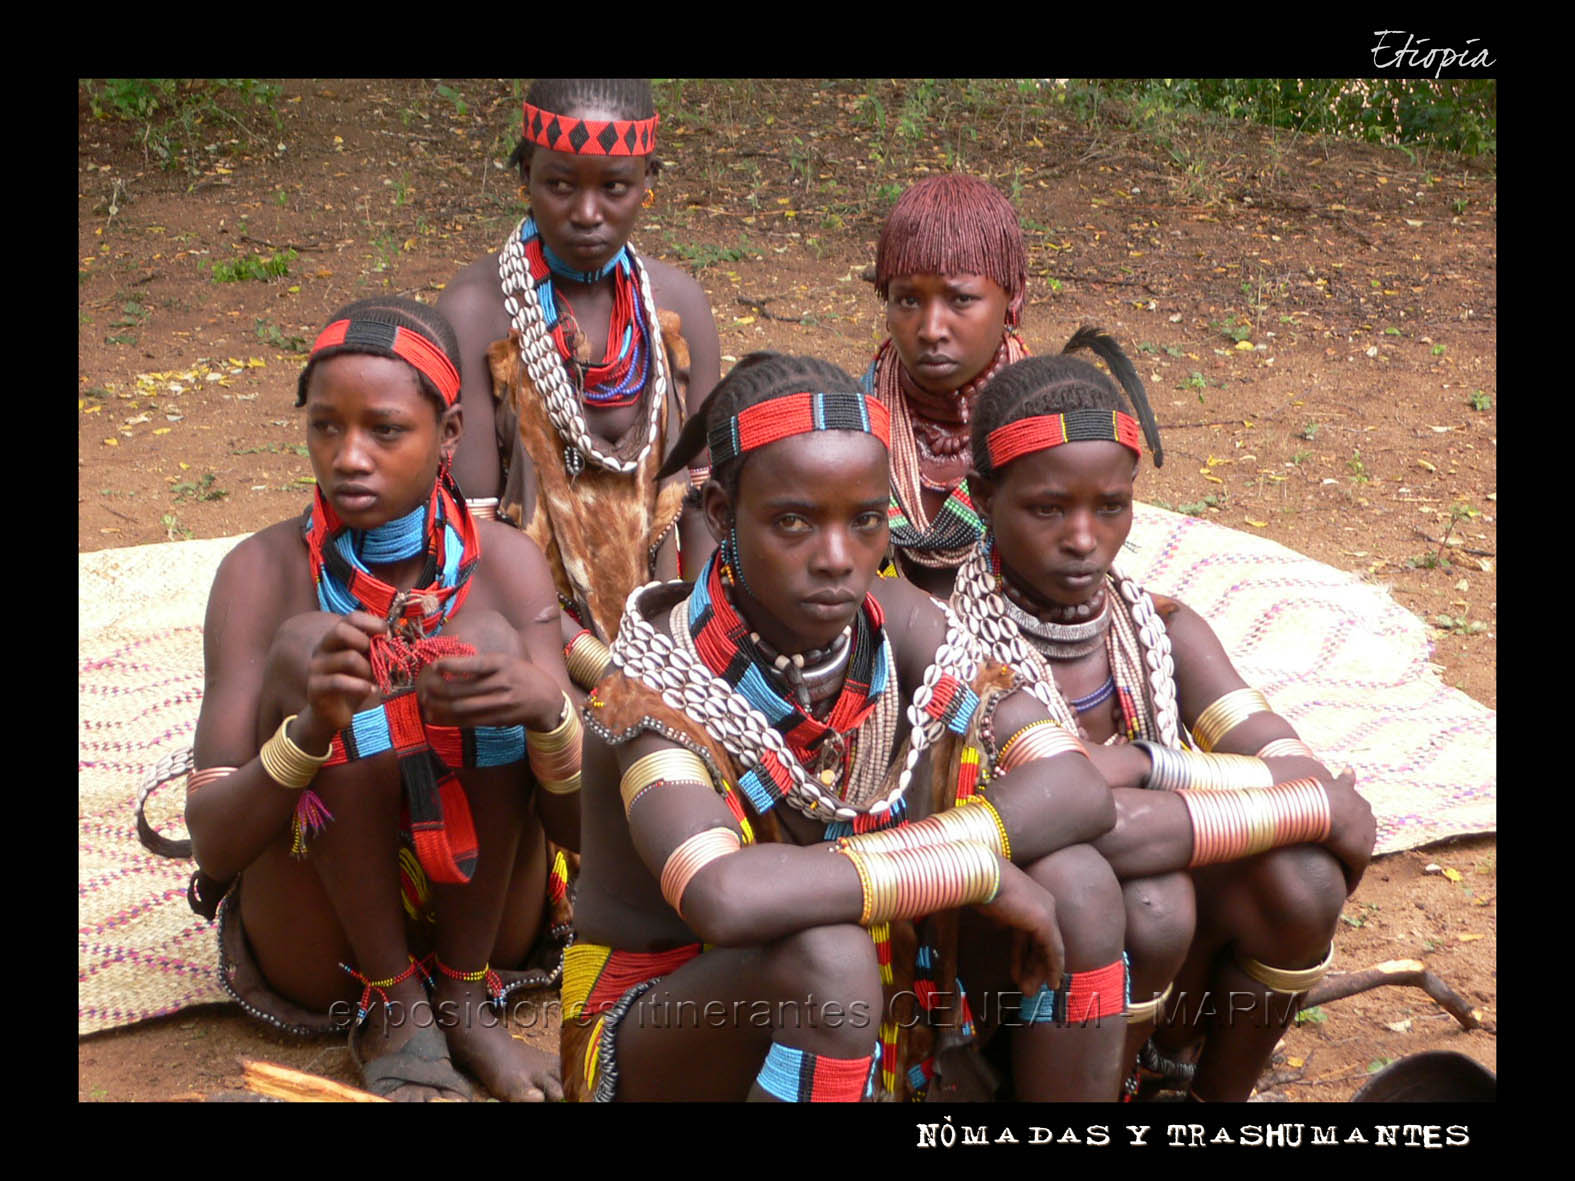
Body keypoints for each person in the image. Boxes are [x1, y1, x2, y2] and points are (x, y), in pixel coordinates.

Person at [564, 352, 1131, 1102]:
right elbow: (723, 894)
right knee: (824, 960)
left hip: (872, 972)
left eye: (865, 521)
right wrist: (974, 868)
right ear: (722, 517)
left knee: (1081, 884)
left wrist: (950, 860)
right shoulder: (651, 686)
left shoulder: (893, 623)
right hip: (661, 1029)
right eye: (793, 521)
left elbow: (1072, 783)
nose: (837, 559)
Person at [948, 329, 1377, 1101]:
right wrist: (1304, 804)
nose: (1083, 538)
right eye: (1047, 507)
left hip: (1158, 937)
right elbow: (1085, 817)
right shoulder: (961, 653)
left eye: (1109, 506)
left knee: (1304, 881)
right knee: (1150, 900)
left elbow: (1298, 768)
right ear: (982, 499)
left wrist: (1144, 766)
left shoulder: (1162, 628)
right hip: (1011, 956)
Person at [185, 297, 581, 1102]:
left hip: (486, 909)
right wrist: (308, 731)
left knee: (492, 648)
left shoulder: (505, 564)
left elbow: (583, 832)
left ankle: (465, 1002)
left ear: (451, 435)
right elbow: (214, 844)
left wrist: (548, 713)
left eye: (385, 429)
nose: (349, 456)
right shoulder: (258, 574)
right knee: (313, 647)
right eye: (326, 426)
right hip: (323, 932)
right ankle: (394, 1003)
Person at [437, 78, 722, 684]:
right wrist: (598, 664)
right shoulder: (477, 311)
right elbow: (475, 531)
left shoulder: (679, 306)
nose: (587, 213)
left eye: (614, 186)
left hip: (672, 624)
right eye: (560, 184)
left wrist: (697, 643)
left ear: (647, 183)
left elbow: (702, 505)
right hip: (524, 624)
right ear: (526, 177)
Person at [862, 174, 1041, 598]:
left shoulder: (1048, 432)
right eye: (907, 300)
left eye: (960, 299)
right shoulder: (854, 423)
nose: (930, 329)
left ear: (1014, 297)